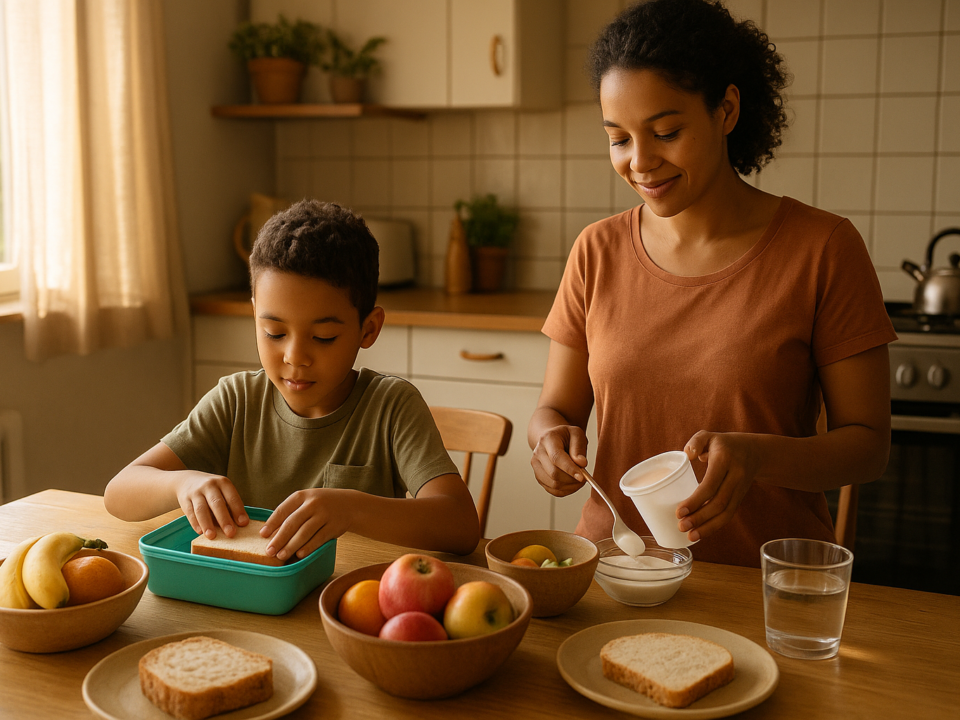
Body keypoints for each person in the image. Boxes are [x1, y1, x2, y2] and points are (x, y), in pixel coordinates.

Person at [528, 0, 896, 567]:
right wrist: (548, 442)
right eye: (619, 139)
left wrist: (761, 459)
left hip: (763, 579)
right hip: (619, 570)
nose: (640, 162)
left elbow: (867, 447)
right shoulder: (596, 251)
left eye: (666, 131)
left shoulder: (822, 248)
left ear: (726, 110)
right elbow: (554, 409)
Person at [105, 200, 480, 560]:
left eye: (323, 338)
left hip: (346, 604)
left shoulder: (391, 406)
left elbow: (461, 526)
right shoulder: (236, 400)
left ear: (368, 329)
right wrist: (181, 483)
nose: (294, 357)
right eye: (273, 332)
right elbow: (118, 493)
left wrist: (353, 510)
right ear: (254, 315)